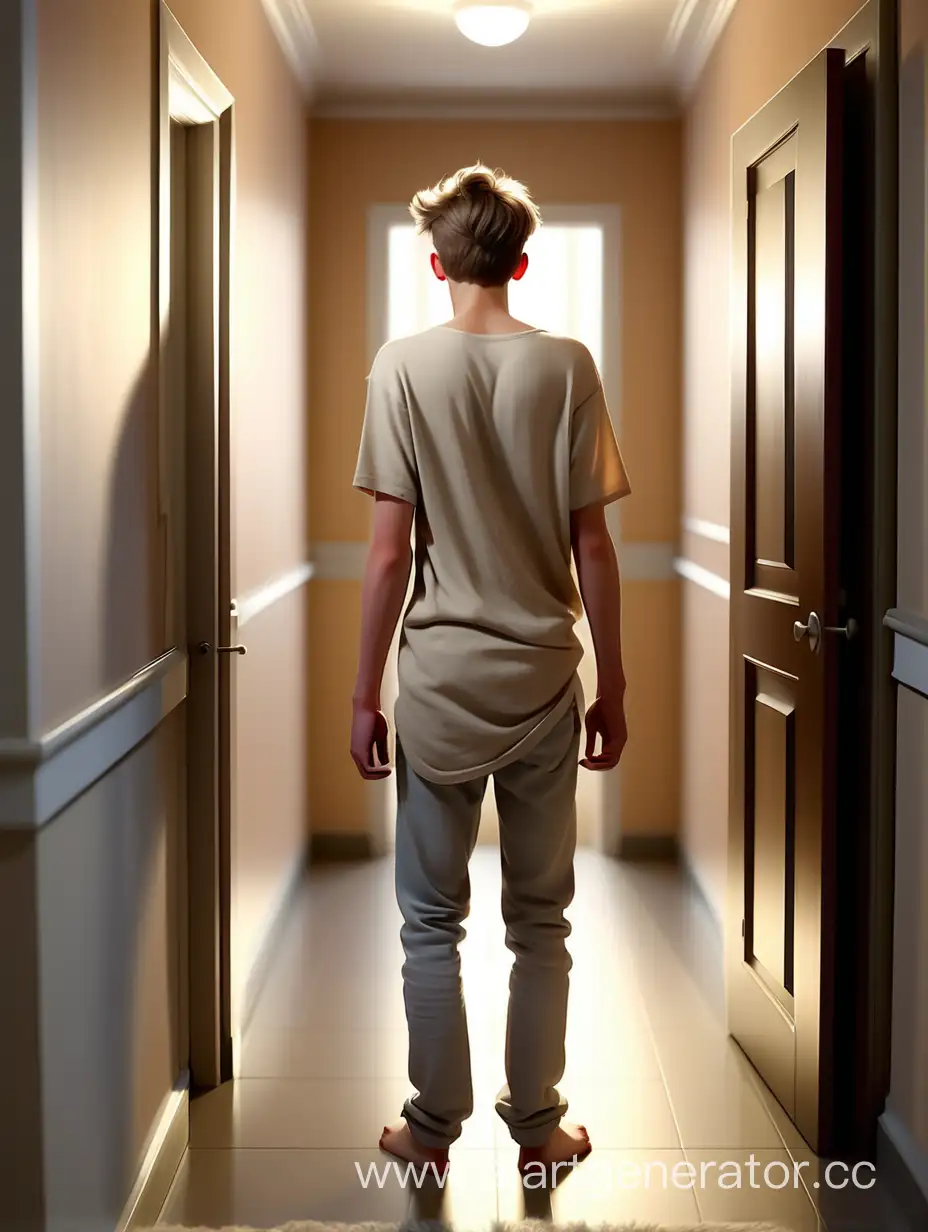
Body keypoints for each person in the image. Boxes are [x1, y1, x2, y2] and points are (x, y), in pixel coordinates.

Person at [350, 164, 630, 1178]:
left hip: (436, 688)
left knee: (431, 920)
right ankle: (539, 1128)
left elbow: (388, 553)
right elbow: (591, 546)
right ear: (519, 261)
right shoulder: (566, 364)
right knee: (539, 917)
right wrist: (616, 684)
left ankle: (430, 1131)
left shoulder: (401, 367)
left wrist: (360, 693)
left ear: (436, 264)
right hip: (544, 684)